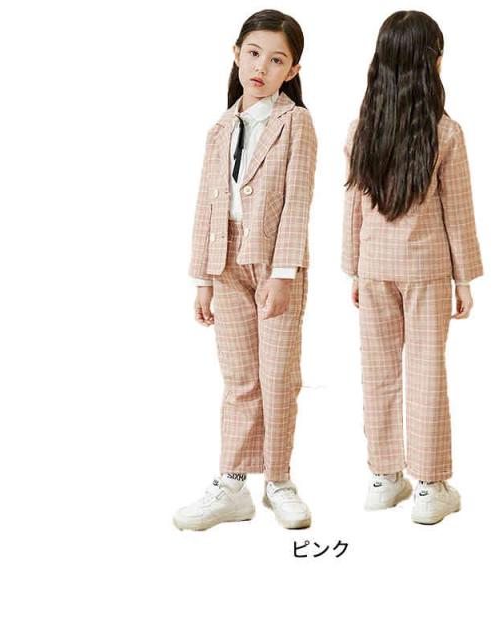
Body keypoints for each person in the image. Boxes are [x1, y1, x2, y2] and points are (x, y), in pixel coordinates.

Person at [174, 9, 317, 531]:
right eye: (253, 54)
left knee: (278, 377)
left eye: (276, 60)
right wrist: (202, 280)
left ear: (292, 70)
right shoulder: (220, 128)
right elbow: (206, 203)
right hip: (224, 262)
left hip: (274, 264)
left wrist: (283, 272)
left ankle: (278, 481)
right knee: (239, 379)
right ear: (236, 54)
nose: (261, 67)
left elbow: (298, 201)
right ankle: (232, 484)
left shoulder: (296, 123)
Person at [342, 11, 484, 525]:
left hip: (374, 267)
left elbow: (353, 204)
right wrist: (464, 279)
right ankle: (429, 485)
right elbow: (458, 211)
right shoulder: (446, 132)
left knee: (378, 372)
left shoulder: (362, 128)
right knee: (426, 372)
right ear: (434, 63)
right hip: (427, 269)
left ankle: (383, 478)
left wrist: (354, 269)